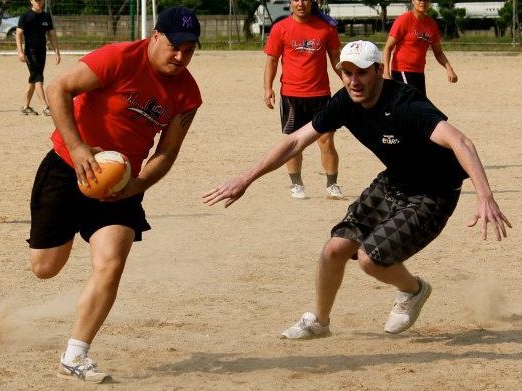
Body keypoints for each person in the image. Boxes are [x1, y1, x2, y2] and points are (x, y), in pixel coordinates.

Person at [204, 40, 511, 340]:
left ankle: (413, 289)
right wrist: (246, 178)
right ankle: (320, 322)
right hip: (394, 181)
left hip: (433, 193)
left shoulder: (406, 103)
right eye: (347, 72)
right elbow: (295, 141)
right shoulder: (344, 102)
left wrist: (485, 196)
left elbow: (461, 141)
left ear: (379, 70)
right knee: (333, 249)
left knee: (370, 258)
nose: (354, 80)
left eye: (362, 72)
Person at [27, 6, 202, 382]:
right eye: (174, 47)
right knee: (45, 268)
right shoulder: (119, 58)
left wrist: (136, 186)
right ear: (155, 36)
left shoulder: (187, 94)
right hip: (65, 167)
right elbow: (59, 87)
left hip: (121, 186)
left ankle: (76, 354)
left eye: (189, 50)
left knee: (111, 261)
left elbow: (167, 152)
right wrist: (77, 149)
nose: (180, 57)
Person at [264, 0, 344, 200]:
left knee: (326, 140)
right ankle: (297, 184)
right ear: (290, 2)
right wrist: (268, 88)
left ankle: (332, 184)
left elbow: (336, 59)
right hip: (292, 96)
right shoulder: (280, 28)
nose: (301, 4)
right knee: (294, 143)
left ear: (312, 1)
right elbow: (271, 60)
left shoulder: (326, 28)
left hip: (320, 95)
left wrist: (347, 79)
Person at [383, 0, 458, 96]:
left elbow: (438, 52)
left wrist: (449, 69)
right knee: (413, 103)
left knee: (418, 105)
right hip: (402, 70)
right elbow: (388, 47)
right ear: (413, 1)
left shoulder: (431, 24)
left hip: (419, 72)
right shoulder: (404, 20)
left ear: (429, 1)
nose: (423, 2)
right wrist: (386, 72)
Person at [16, 0, 61, 116]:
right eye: (36, 0)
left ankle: (25, 107)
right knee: (38, 79)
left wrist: (57, 51)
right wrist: (20, 51)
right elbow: (18, 34)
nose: (38, 2)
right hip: (30, 52)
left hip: (42, 52)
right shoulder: (25, 17)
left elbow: (52, 35)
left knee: (33, 80)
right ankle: (45, 107)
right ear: (31, 1)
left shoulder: (46, 16)